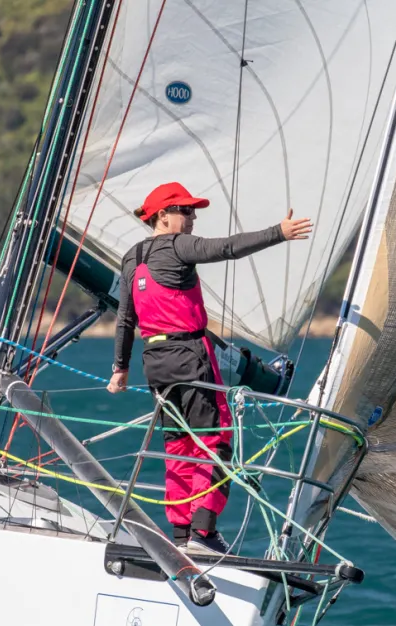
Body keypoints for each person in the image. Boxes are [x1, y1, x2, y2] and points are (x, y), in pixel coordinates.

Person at [107, 182, 311, 553]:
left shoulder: (130, 258)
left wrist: (120, 368)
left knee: (178, 446)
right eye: (185, 210)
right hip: (190, 356)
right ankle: (204, 532)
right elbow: (227, 248)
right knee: (214, 441)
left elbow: (125, 320)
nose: (193, 217)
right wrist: (278, 234)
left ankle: (182, 533)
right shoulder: (178, 246)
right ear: (162, 216)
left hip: (155, 363)